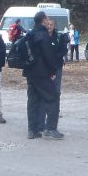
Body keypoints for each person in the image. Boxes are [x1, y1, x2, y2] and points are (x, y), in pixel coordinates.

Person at [25, 11, 63, 139]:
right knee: (53, 98)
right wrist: (52, 71)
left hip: (30, 73)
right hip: (42, 74)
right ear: (43, 20)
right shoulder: (43, 35)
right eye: (46, 18)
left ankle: (32, 130)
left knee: (33, 101)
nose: (48, 21)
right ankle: (51, 129)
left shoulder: (30, 34)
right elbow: (48, 56)